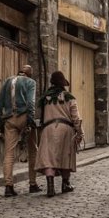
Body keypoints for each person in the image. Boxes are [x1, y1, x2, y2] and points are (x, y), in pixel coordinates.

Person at [34, 70, 83, 198]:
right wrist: (79, 132)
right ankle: (65, 184)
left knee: (49, 157)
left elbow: (41, 116)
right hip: (65, 128)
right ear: (63, 84)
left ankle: (50, 186)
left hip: (48, 128)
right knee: (66, 155)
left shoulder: (45, 98)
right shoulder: (69, 97)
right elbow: (76, 117)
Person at [0, 63, 39, 197]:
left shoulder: (8, 81)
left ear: (19, 72)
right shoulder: (30, 82)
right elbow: (31, 103)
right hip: (24, 116)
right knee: (33, 150)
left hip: (9, 118)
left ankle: (8, 186)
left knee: (9, 152)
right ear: (29, 73)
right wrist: (30, 120)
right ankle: (33, 184)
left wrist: (0, 122)